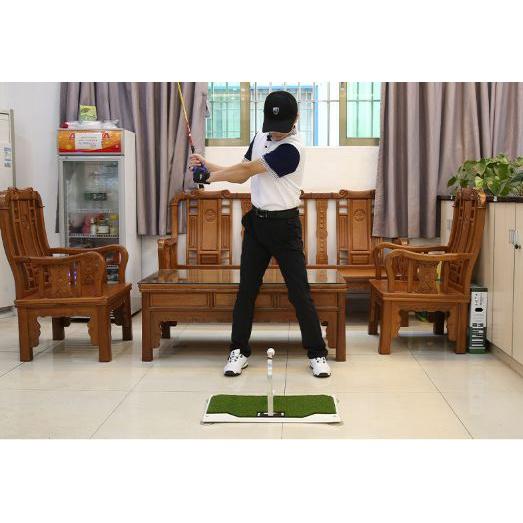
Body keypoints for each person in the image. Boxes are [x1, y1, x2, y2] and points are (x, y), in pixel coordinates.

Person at [189, 91, 331, 378]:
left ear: (296, 119)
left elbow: (246, 171)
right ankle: (238, 351)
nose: (276, 133)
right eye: (273, 127)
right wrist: (207, 165)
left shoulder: (293, 150)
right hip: (257, 225)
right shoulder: (260, 137)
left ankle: (317, 353)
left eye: (282, 127)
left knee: (299, 292)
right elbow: (240, 170)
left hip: (285, 227)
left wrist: (208, 178)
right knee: (246, 291)